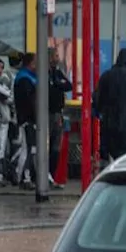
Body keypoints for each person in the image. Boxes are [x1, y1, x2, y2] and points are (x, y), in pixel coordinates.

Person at [12, 52, 39, 189]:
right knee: (27, 149)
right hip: (27, 119)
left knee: (30, 148)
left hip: (29, 118)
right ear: (31, 63)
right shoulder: (24, 79)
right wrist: (34, 117)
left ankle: (24, 174)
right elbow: (29, 102)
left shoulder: (31, 78)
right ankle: (23, 176)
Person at [46, 51, 73, 189]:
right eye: (56, 56)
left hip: (58, 113)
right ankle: (44, 176)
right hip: (47, 113)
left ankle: (52, 175)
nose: (58, 58)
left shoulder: (57, 73)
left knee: (56, 147)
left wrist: (57, 83)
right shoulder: (44, 73)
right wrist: (58, 84)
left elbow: (68, 85)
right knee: (46, 146)